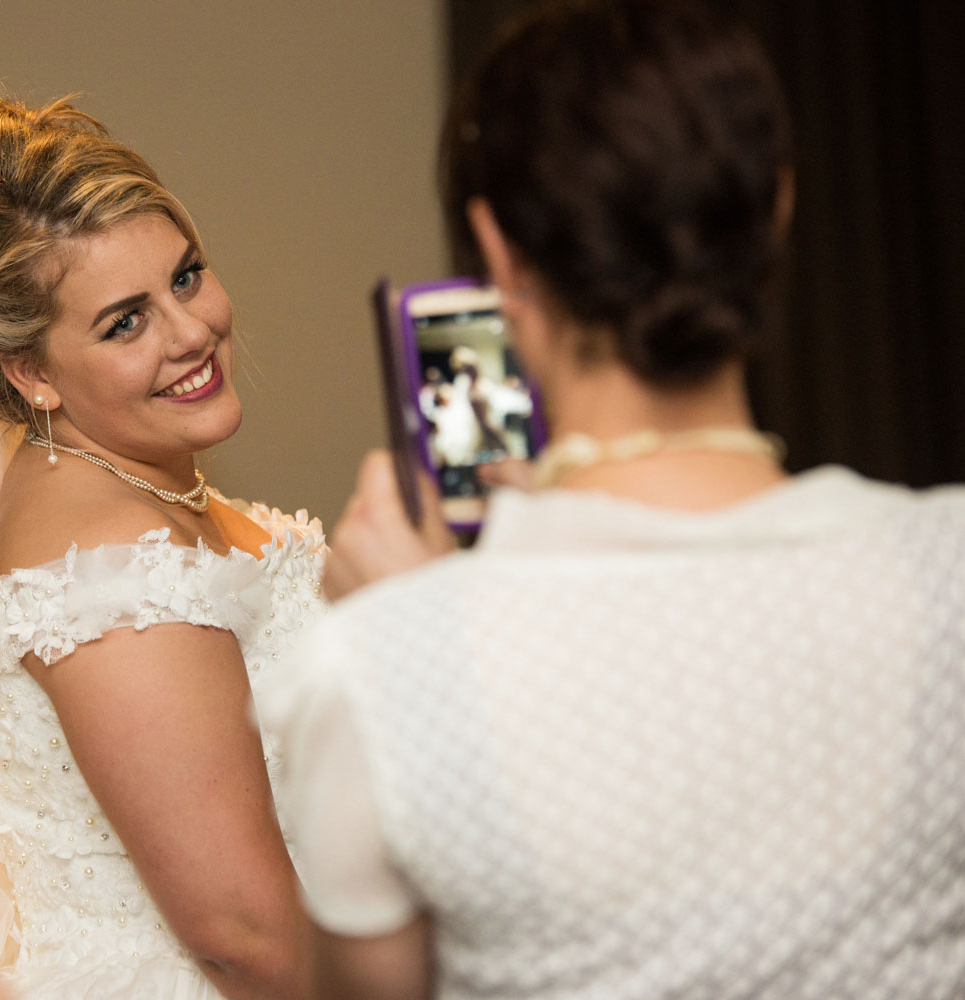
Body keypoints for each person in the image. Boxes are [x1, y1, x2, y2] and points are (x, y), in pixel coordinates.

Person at [265, 1, 965, 998]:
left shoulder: (373, 669)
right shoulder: (951, 563)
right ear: (778, 206)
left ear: (497, 251)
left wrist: (422, 636)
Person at [0, 93, 317, 998]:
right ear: (32, 373)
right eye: (126, 321)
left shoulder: (137, 486)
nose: (193, 332)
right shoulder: (113, 569)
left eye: (186, 278)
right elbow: (242, 935)